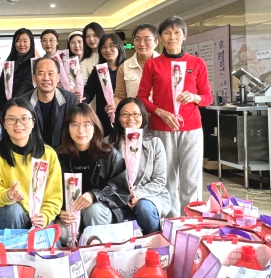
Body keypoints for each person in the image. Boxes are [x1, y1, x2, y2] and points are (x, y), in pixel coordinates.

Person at [137, 16, 212, 217]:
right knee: (166, 179)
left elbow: (207, 98)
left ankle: (192, 222)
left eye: (177, 32)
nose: (172, 37)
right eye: (167, 33)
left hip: (191, 129)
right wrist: (160, 111)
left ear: (184, 36)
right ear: (160, 38)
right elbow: (142, 98)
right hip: (161, 128)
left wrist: (194, 97)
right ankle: (170, 222)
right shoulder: (153, 65)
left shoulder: (196, 63)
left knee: (191, 179)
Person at [0, 98, 63, 230]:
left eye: (24, 118)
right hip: (7, 218)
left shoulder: (48, 154)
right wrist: (8, 195)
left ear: (33, 122)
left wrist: (45, 215)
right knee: (12, 210)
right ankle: (12, 250)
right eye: (11, 119)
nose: (18, 124)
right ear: (4, 123)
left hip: (39, 218)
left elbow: (54, 197)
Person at [55, 103, 129, 246]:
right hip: (69, 215)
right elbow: (49, 191)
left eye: (87, 125)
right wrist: (59, 211)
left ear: (95, 127)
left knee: (92, 210)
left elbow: (121, 191)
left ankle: (97, 253)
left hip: (99, 213)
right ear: (67, 129)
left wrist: (94, 195)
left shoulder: (109, 154)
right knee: (63, 233)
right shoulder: (58, 156)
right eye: (75, 125)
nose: (80, 130)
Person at [111, 98, 171, 234]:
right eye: (125, 114)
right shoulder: (109, 144)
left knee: (145, 208)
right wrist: (124, 193)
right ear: (118, 118)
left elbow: (159, 180)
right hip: (117, 196)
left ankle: (156, 240)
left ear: (143, 117)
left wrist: (137, 194)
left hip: (150, 195)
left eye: (136, 114)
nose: (131, 118)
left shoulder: (155, 144)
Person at [21, 57, 77, 148]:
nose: (46, 78)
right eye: (41, 73)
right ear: (34, 77)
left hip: (63, 155)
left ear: (58, 77)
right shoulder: (23, 103)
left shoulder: (70, 100)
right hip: (33, 154)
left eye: (51, 73)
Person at [83, 33, 126, 137]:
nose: (107, 50)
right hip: (103, 119)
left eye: (112, 46)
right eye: (104, 47)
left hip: (126, 118)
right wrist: (80, 97)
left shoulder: (127, 68)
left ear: (119, 47)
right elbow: (88, 93)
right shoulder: (97, 71)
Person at [114, 24, 160, 104]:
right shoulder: (124, 66)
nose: (141, 43)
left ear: (156, 42)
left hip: (160, 114)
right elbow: (119, 96)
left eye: (147, 40)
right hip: (134, 114)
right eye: (138, 39)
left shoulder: (165, 64)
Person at [0, 28, 36, 102]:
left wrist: (13, 101)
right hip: (6, 104)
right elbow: (1, 85)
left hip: (25, 103)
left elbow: (26, 85)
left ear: (31, 43)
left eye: (25, 41)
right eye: (18, 41)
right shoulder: (9, 62)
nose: (22, 44)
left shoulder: (34, 63)